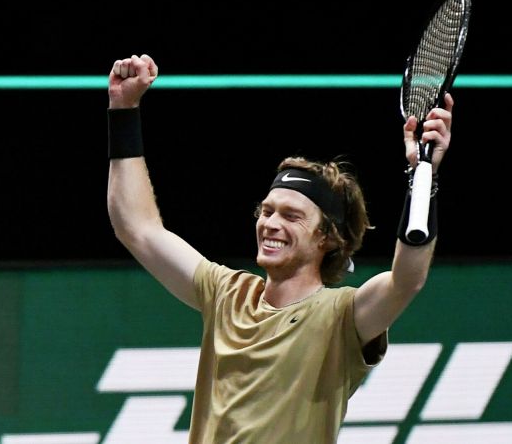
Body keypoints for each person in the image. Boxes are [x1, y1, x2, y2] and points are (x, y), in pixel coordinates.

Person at [105, 54, 453, 443]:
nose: (271, 223)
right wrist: (124, 110)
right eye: (267, 211)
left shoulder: (342, 316)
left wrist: (424, 175)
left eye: (291, 216)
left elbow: (407, 280)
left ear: (327, 237)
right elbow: (136, 227)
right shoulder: (226, 294)